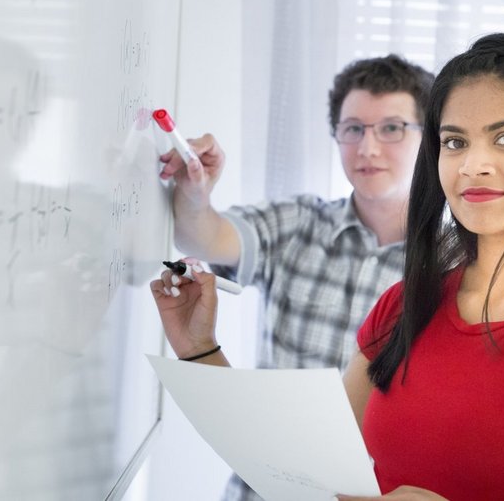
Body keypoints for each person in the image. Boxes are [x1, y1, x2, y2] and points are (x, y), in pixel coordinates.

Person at [150, 32, 504, 500]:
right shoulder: (405, 304)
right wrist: (200, 350)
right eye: (455, 141)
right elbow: (304, 472)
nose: (473, 164)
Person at [157, 54, 433, 500]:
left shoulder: (457, 267)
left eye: (392, 128)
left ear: (432, 139)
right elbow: (203, 236)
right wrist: (194, 191)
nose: (368, 148)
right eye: (353, 129)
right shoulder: (298, 222)